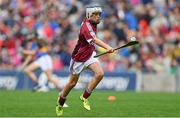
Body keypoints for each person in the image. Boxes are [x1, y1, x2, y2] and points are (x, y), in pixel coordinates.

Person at [56, 4, 114, 116]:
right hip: (79, 58)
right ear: (88, 15)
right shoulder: (86, 26)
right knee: (72, 83)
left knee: (100, 74)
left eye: (99, 14)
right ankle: (60, 102)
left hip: (89, 55)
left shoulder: (93, 23)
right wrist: (107, 47)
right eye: (95, 14)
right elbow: (94, 39)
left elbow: (93, 41)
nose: (98, 16)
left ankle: (84, 96)